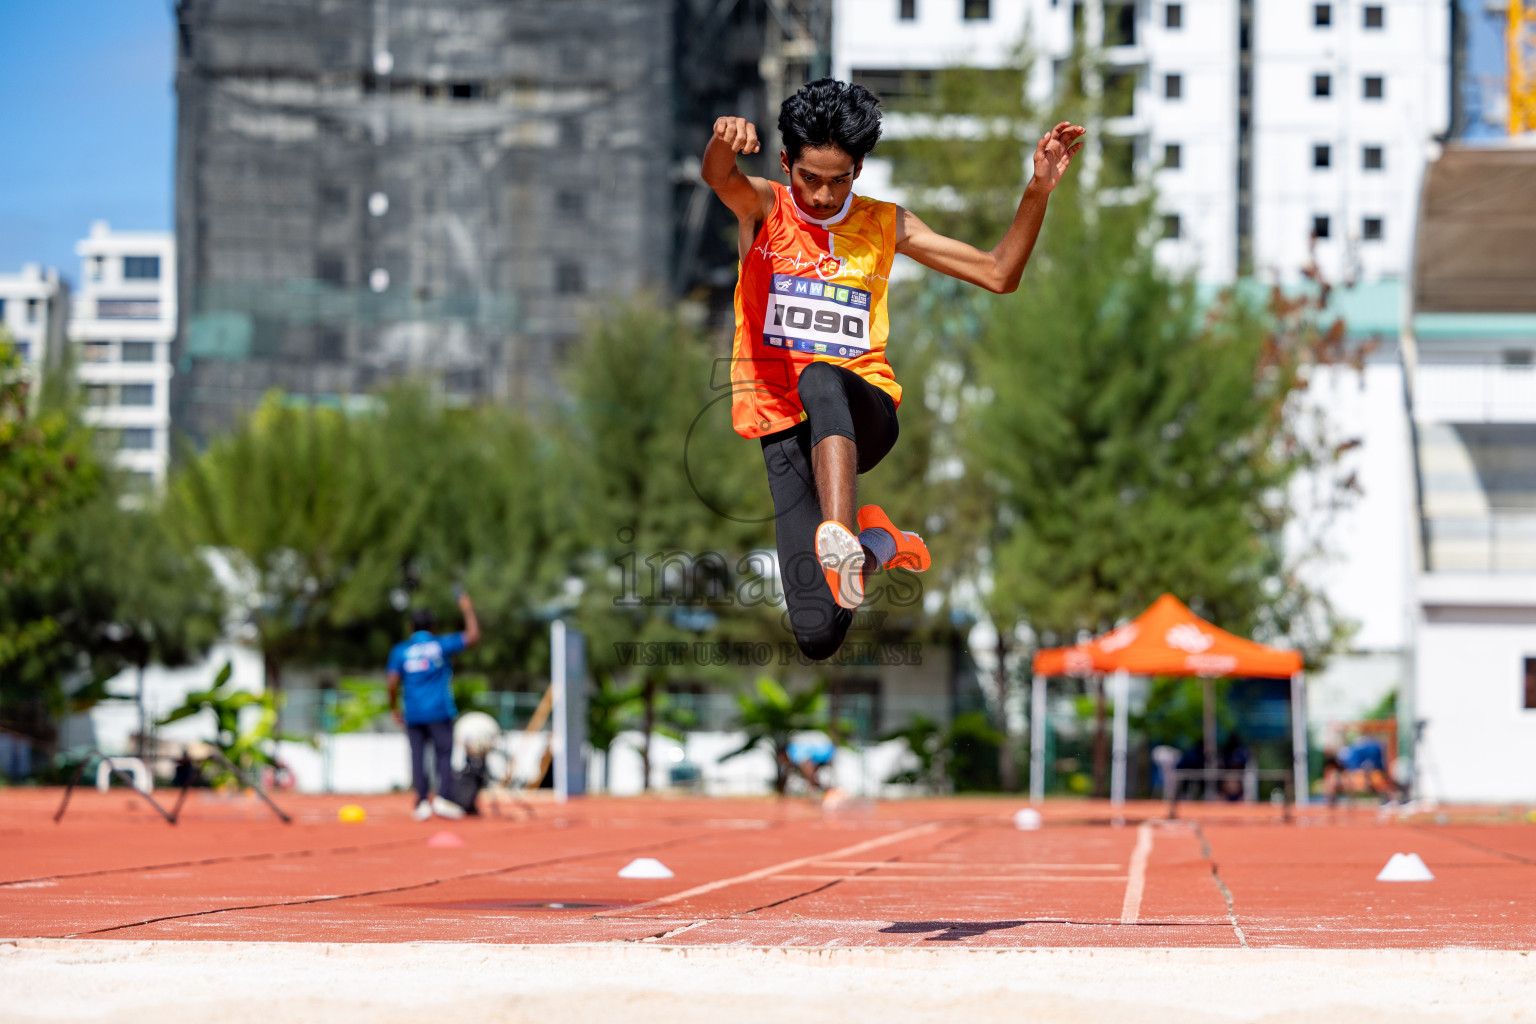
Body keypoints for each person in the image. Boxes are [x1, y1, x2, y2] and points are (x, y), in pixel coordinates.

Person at [702, 79, 1084, 659]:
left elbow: (999, 273)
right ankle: (878, 541)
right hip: (784, 430)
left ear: (858, 169)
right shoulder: (767, 207)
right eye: (810, 178)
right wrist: (723, 143)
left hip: (863, 413)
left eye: (840, 180)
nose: (825, 196)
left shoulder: (886, 224)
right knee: (817, 635)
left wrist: (1038, 189)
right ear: (786, 163)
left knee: (821, 377)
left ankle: (838, 532)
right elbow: (718, 177)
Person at [387, 590, 481, 821]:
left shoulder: (401, 651)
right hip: (439, 712)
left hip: (414, 713)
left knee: (417, 757)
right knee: (443, 755)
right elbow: (472, 636)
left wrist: (394, 708)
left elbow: (391, 682)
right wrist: (467, 608)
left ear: (411, 626)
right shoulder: (440, 645)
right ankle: (443, 799)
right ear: (433, 626)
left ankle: (421, 802)